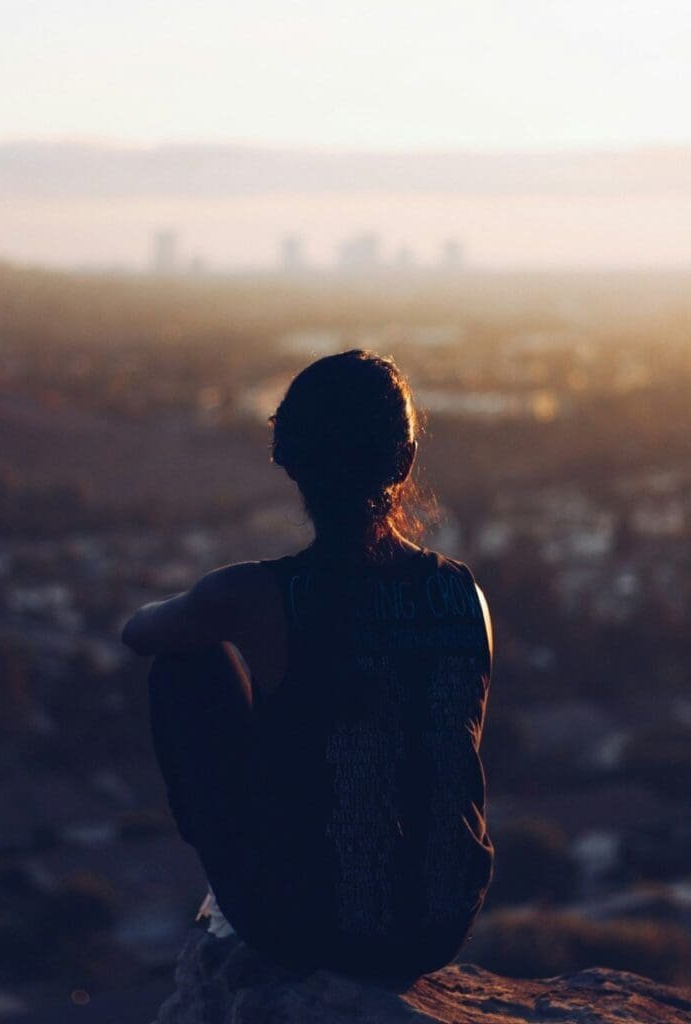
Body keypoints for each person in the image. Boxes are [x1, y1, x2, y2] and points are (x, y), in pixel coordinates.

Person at [122, 349, 494, 985]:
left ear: (288, 461)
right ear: (403, 462)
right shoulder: (465, 595)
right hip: (438, 925)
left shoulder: (256, 595)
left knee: (186, 664)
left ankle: (237, 880)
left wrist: (216, 608)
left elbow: (140, 633)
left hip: (301, 926)